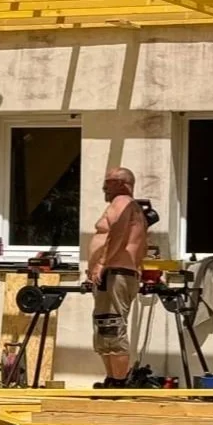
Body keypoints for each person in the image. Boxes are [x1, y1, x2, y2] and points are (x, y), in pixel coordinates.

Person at [87, 166, 150, 388]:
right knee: (106, 326)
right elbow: (142, 246)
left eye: (109, 181)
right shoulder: (137, 210)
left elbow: (119, 232)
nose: (104, 186)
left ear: (123, 184)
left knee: (111, 326)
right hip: (119, 273)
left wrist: (102, 263)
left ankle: (120, 381)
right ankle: (113, 379)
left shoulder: (122, 202)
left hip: (115, 272)